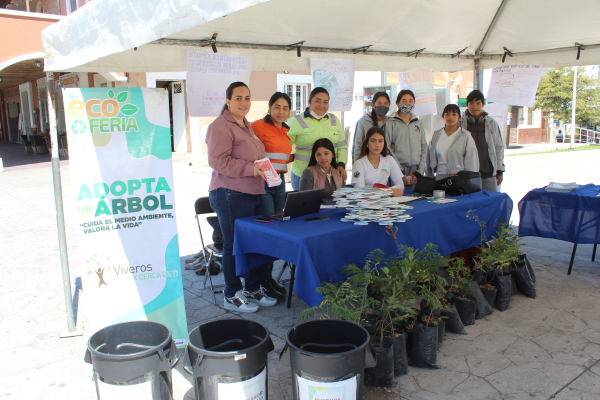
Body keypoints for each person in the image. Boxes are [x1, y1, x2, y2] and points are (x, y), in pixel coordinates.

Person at [206, 81, 278, 313]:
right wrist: (251, 169)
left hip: (256, 191)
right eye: (238, 98)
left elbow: (254, 159)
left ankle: (253, 288)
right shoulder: (220, 126)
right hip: (230, 194)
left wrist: (265, 170)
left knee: (259, 241)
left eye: (247, 97)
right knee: (234, 245)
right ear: (228, 101)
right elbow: (217, 161)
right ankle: (232, 294)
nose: (243, 102)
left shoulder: (246, 126)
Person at [250, 92, 292, 301]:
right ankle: (261, 280)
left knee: (276, 228)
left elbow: (284, 158)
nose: (281, 111)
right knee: (267, 229)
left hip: (280, 182)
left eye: (285, 108)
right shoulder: (256, 126)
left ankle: (267, 278)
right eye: (277, 107)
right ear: (269, 107)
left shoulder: (285, 131)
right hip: (264, 183)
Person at [287, 87, 348, 191]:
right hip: (302, 175)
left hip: (330, 175)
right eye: (317, 101)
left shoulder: (334, 120)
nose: (322, 105)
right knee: (305, 206)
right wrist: (290, 158)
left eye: (325, 102)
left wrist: (341, 164)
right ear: (309, 102)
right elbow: (282, 146)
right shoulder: (295, 121)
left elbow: (342, 146)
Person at [459, 90, 505, 191]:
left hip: (488, 174)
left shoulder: (492, 123)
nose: (474, 106)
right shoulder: (461, 124)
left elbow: (499, 147)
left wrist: (499, 170)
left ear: (483, 105)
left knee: (490, 204)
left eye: (478, 103)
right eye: (471, 103)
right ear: (467, 105)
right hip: (468, 175)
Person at [385, 90, 427, 189]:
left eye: (410, 101)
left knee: (416, 201)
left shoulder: (418, 123)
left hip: (415, 172)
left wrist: (419, 173)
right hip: (397, 170)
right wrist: (399, 172)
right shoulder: (390, 123)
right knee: (398, 200)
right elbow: (387, 148)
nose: (407, 104)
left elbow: (424, 148)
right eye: (404, 101)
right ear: (397, 103)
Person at [426, 104, 479, 178]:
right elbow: (429, 159)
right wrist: (429, 177)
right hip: (439, 178)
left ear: (459, 117)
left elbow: (471, 161)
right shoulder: (436, 135)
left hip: (459, 179)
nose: (450, 117)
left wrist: (470, 179)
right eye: (447, 114)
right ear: (443, 116)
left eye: (454, 114)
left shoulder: (465, 135)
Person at [352, 127, 405, 197]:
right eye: (373, 141)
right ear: (367, 143)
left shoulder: (389, 160)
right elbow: (359, 190)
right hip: (365, 202)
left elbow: (400, 185)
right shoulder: (359, 163)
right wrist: (388, 191)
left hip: (384, 201)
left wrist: (386, 192)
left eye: (380, 141)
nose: (377, 145)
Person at [299, 138, 344, 203]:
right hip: (317, 211)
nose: (323, 158)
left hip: (337, 210)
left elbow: (344, 198)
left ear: (333, 154)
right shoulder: (309, 172)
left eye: (326, 153)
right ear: (315, 156)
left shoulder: (339, 172)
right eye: (318, 154)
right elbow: (304, 200)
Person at [352, 91, 391, 161]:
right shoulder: (363, 122)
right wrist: (356, 165)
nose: (382, 106)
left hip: (385, 164)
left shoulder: (390, 122)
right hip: (366, 163)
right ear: (373, 105)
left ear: (389, 105)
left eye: (386, 103)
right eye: (379, 103)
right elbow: (357, 146)